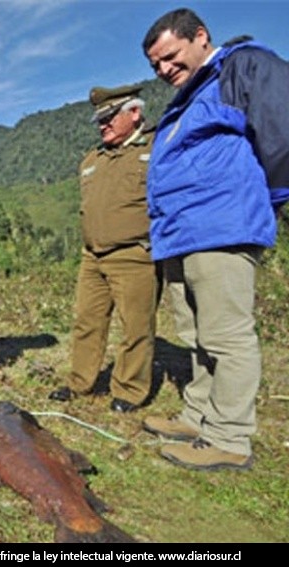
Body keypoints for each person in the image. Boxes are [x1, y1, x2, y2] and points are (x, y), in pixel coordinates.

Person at [140, 8, 289, 470]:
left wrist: (272, 200)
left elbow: (281, 134)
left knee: (226, 335)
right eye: (155, 66)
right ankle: (199, 413)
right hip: (182, 235)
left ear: (200, 36)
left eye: (169, 56)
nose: (164, 70)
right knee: (195, 333)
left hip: (221, 227)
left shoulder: (244, 66)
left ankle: (228, 437)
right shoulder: (188, 97)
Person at [48, 84, 159, 413]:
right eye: (100, 119)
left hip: (134, 254)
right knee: (87, 320)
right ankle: (80, 382)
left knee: (135, 325)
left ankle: (129, 390)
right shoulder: (92, 159)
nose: (103, 124)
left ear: (135, 113)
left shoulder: (157, 147)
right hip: (92, 256)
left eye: (110, 117)